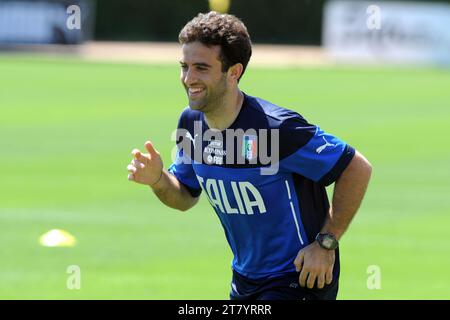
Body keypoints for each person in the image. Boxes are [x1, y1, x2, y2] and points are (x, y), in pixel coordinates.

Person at [127, 11, 372, 300]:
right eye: (184, 66)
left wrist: (326, 244)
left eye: (201, 68)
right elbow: (184, 197)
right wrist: (158, 180)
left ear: (234, 72)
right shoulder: (192, 123)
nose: (188, 78)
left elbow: (356, 167)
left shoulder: (276, 128)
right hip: (245, 279)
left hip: (296, 277)